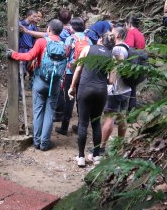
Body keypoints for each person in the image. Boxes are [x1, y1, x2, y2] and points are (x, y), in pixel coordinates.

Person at [7, 19, 68, 151]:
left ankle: (37, 141)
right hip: (55, 83)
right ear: (60, 31)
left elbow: (29, 56)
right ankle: (45, 143)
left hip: (41, 81)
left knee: (38, 110)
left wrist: (13, 54)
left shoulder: (42, 42)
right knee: (49, 112)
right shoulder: (64, 45)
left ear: (48, 29)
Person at [68, 32, 115, 167]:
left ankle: (81, 157)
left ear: (100, 40)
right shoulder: (112, 56)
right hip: (101, 91)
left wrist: (72, 87)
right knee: (95, 122)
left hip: (85, 89)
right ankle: (96, 156)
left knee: (83, 123)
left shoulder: (88, 48)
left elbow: (78, 70)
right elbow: (111, 81)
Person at [97, 26, 132, 159]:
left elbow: (118, 65)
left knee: (109, 117)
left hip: (115, 90)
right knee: (122, 116)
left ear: (117, 35)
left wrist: (111, 81)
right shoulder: (127, 47)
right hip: (126, 89)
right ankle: (120, 145)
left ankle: (101, 147)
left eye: (112, 33)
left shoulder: (117, 49)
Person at [55, 17, 92, 135]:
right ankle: (81, 126)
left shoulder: (70, 39)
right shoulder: (88, 39)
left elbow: (65, 54)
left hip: (71, 72)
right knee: (82, 100)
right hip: (84, 72)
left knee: (69, 99)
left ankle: (64, 127)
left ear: (73, 27)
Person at [124, 15, 146, 112]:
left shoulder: (131, 32)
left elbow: (129, 47)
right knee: (133, 88)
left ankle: (122, 113)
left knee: (125, 88)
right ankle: (131, 111)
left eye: (126, 24)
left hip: (133, 63)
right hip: (141, 63)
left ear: (128, 24)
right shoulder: (141, 34)